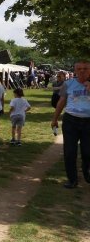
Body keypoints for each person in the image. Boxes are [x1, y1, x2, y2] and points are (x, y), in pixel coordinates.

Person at [51, 60, 90, 189]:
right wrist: (55, 118)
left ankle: (86, 170)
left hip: (88, 122)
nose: (82, 71)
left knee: (87, 151)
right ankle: (72, 179)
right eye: (79, 69)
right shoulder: (68, 84)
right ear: (75, 71)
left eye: (85, 68)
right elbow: (61, 102)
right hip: (71, 121)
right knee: (69, 151)